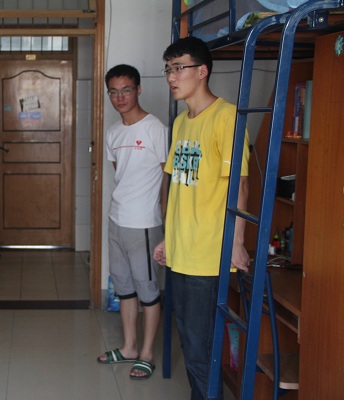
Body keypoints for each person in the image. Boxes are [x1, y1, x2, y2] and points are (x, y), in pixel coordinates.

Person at [153, 36, 250, 400]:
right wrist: (168, 238)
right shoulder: (181, 123)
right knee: (190, 342)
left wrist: (237, 243)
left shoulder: (226, 118)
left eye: (179, 68)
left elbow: (240, 185)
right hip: (181, 251)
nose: (171, 77)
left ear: (202, 71)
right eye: (168, 69)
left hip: (207, 254)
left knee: (199, 348)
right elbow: (177, 185)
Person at [96, 64, 168, 381]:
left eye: (126, 90)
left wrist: (166, 222)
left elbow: (167, 178)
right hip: (117, 219)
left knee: (147, 291)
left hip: (145, 223)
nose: (120, 97)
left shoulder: (155, 129)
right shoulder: (113, 132)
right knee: (124, 290)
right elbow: (121, 173)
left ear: (138, 89)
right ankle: (129, 348)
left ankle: (147, 353)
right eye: (113, 92)